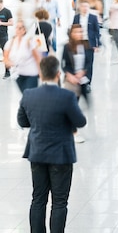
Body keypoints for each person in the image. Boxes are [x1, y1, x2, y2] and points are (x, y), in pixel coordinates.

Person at [18, 56, 87, 233]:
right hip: (61, 155)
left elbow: (22, 121)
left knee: (38, 199)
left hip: (37, 152)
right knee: (59, 201)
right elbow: (80, 122)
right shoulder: (67, 96)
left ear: (40, 73)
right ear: (58, 74)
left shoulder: (29, 94)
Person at [3, 20, 42, 93]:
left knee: (28, 96)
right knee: (25, 96)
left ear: (24, 30)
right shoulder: (10, 42)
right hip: (19, 75)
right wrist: (9, 63)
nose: (18, 30)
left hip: (31, 74)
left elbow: (37, 58)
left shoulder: (29, 41)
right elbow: (5, 58)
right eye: (16, 27)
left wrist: (40, 73)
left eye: (20, 28)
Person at [72, 1, 101, 89]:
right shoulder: (76, 17)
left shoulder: (93, 18)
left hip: (89, 43)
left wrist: (97, 44)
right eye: (83, 6)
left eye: (86, 6)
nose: (85, 8)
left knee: (89, 63)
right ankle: (80, 80)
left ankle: (88, 82)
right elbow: (73, 29)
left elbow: (97, 31)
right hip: (79, 42)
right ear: (80, 7)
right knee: (80, 62)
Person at [0, 0, 14, 79]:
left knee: (6, 54)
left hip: (3, 36)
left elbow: (12, 23)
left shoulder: (7, 11)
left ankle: (7, 72)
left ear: (1, 3)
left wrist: (2, 23)